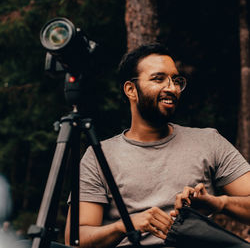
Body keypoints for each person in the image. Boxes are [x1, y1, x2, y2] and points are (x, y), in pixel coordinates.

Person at [65, 44, 250, 248]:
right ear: (131, 90)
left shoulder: (209, 141)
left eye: (176, 80)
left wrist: (219, 203)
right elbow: (75, 240)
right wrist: (125, 226)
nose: (171, 88)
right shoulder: (99, 156)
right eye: (158, 79)